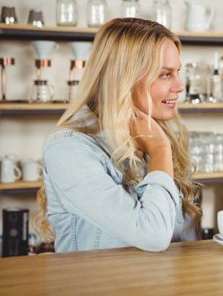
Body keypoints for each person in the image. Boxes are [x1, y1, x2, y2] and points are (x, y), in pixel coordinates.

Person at [34, 18, 201, 252]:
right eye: (165, 74)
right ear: (124, 78)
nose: (180, 85)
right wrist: (160, 151)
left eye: (177, 72)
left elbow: (183, 241)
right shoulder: (69, 149)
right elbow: (153, 235)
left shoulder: (155, 133)